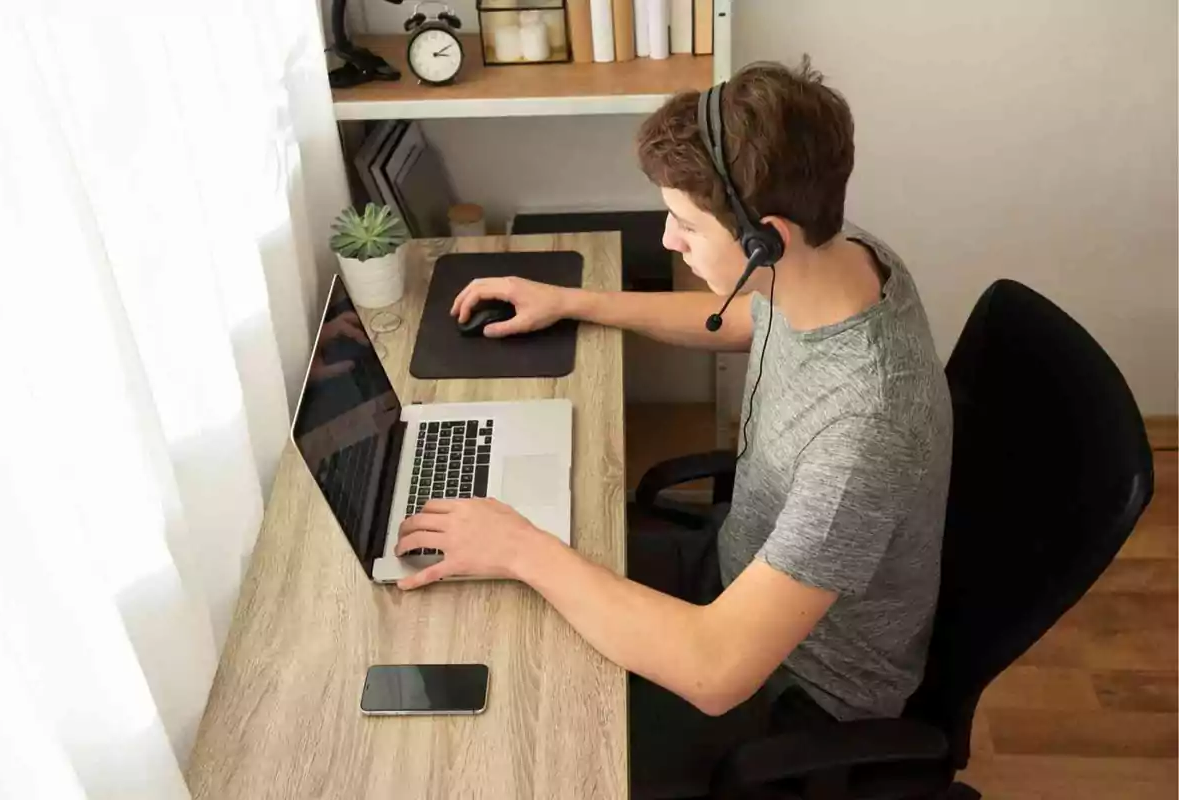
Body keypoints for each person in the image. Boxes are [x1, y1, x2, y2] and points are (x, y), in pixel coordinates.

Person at [395, 59, 953, 796]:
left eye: (686, 223)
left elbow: (718, 672)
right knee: (517, 608)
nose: (667, 239)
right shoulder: (842, 258)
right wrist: (574, 300)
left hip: (794, 690)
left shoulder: (863, 433)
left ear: (767, 239)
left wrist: (518, 546)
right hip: (738, 568)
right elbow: (748, 315)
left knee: (532, 743)